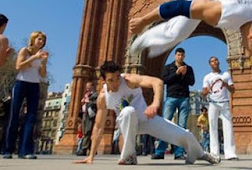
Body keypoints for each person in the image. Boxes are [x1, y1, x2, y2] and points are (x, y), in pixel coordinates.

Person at [74, 60, 220, 165]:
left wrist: (155, 104)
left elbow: (157, 82)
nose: (117, 82)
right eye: (111, 80)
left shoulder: (129, 80)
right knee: (128, 111)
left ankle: (201, 154)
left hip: (147, 118)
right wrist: (91, 156)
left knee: (185, 135)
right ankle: (129, 156)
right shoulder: (103, 97)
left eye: (118, 77)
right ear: (104, 80)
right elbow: (98, 127)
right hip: (127, 122)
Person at [3, 31, 48, 159]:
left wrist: (44, 62)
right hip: (21, 83)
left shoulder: (41, 55)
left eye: (43, 40)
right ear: (33, 39)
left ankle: (25, 150)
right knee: (14, 115)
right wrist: (34, 57)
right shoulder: (24, 51)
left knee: (31, 117)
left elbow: (43, 74)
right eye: (39, 39)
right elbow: (18, 66)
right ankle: (8, 149)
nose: (41, 42)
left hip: (34, 85)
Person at [152, 48, 194, 160]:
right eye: (178, 55)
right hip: (171, 98)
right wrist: (176, 73)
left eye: (182, 55)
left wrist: (185, 74)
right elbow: (164, 80)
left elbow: (192, 82)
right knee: (164, 124)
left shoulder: (188, 68)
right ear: (175, 56)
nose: (180, 57)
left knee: (181, 126)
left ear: (184, 56)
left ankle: (179, 153)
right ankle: (160, 151)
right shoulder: (168, 68)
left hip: (184, 98)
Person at [202, 56, 238, 160]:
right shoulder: (207, 77)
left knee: (228, 127)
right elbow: (203, 93)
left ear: (219, 62)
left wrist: (225, 84)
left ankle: (230, 153)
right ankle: (214, 153)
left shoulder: (226, 74)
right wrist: (207, 89)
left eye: (216, 60)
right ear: (210, 64)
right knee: (212, 127)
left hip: (224, 103)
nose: (215, 62)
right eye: (212, 61)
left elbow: (233, 90)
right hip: (213, 103)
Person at [77, 82, 98, 156]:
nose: (87, 88)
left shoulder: (95, 94)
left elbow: (97, 103)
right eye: (86, 87)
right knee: (85, 131)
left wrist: (88, 101)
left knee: (88, 131)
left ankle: (83, 149)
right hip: (84, 115)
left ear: (93, 86)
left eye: (88, 86)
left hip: (90, 115)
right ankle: (92, 149)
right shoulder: (86, 95)